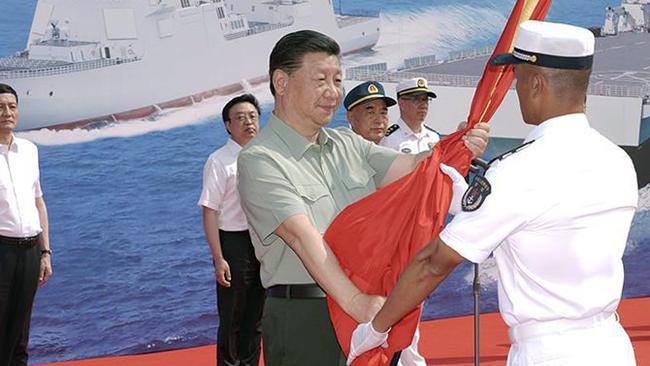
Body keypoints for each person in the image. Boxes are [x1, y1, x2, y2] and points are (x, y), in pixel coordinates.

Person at [347, 20, 639, 366]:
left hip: (549, 353)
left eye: (516, 79)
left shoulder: (520, 170)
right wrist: (464, 201)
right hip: (611, 345)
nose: (514, 90)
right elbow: (550, 231)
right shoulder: (617, 160)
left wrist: (374, 330)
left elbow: (433, 263)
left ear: (536, 84)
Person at [236, 29, 490, 366]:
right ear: (281, 82)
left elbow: (415, 168)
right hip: (309, 318)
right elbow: (302, 237)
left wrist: (458, 145)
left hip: (370, 308)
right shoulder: (260, 159)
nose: (332, 92)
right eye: (320, 79)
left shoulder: (347, 144)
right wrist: (358, 304)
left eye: (337, 79)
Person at [199, 94, 265, 366]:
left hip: (261, 243)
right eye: (240, 118)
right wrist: (218, 258)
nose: (248, 122)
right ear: (228, 125)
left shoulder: (265, 156)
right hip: (233, 243)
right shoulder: (219, 161)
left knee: (256, 317)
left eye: (252, 116)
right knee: (232, 317)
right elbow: (209, 211)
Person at [0, 83, 53, 366]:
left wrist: (46, 253)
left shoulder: (30, 150)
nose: (7, 113)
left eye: (11, 106)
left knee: (21, 332)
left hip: (31, 250)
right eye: (0, 107)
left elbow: (39, 203)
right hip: (2, 251)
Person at [380, 77, 440, 154]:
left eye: (425, 100)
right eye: (417, 99)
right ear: (401, 102)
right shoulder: (388, 139)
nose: (423, 105)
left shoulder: (433, 137)